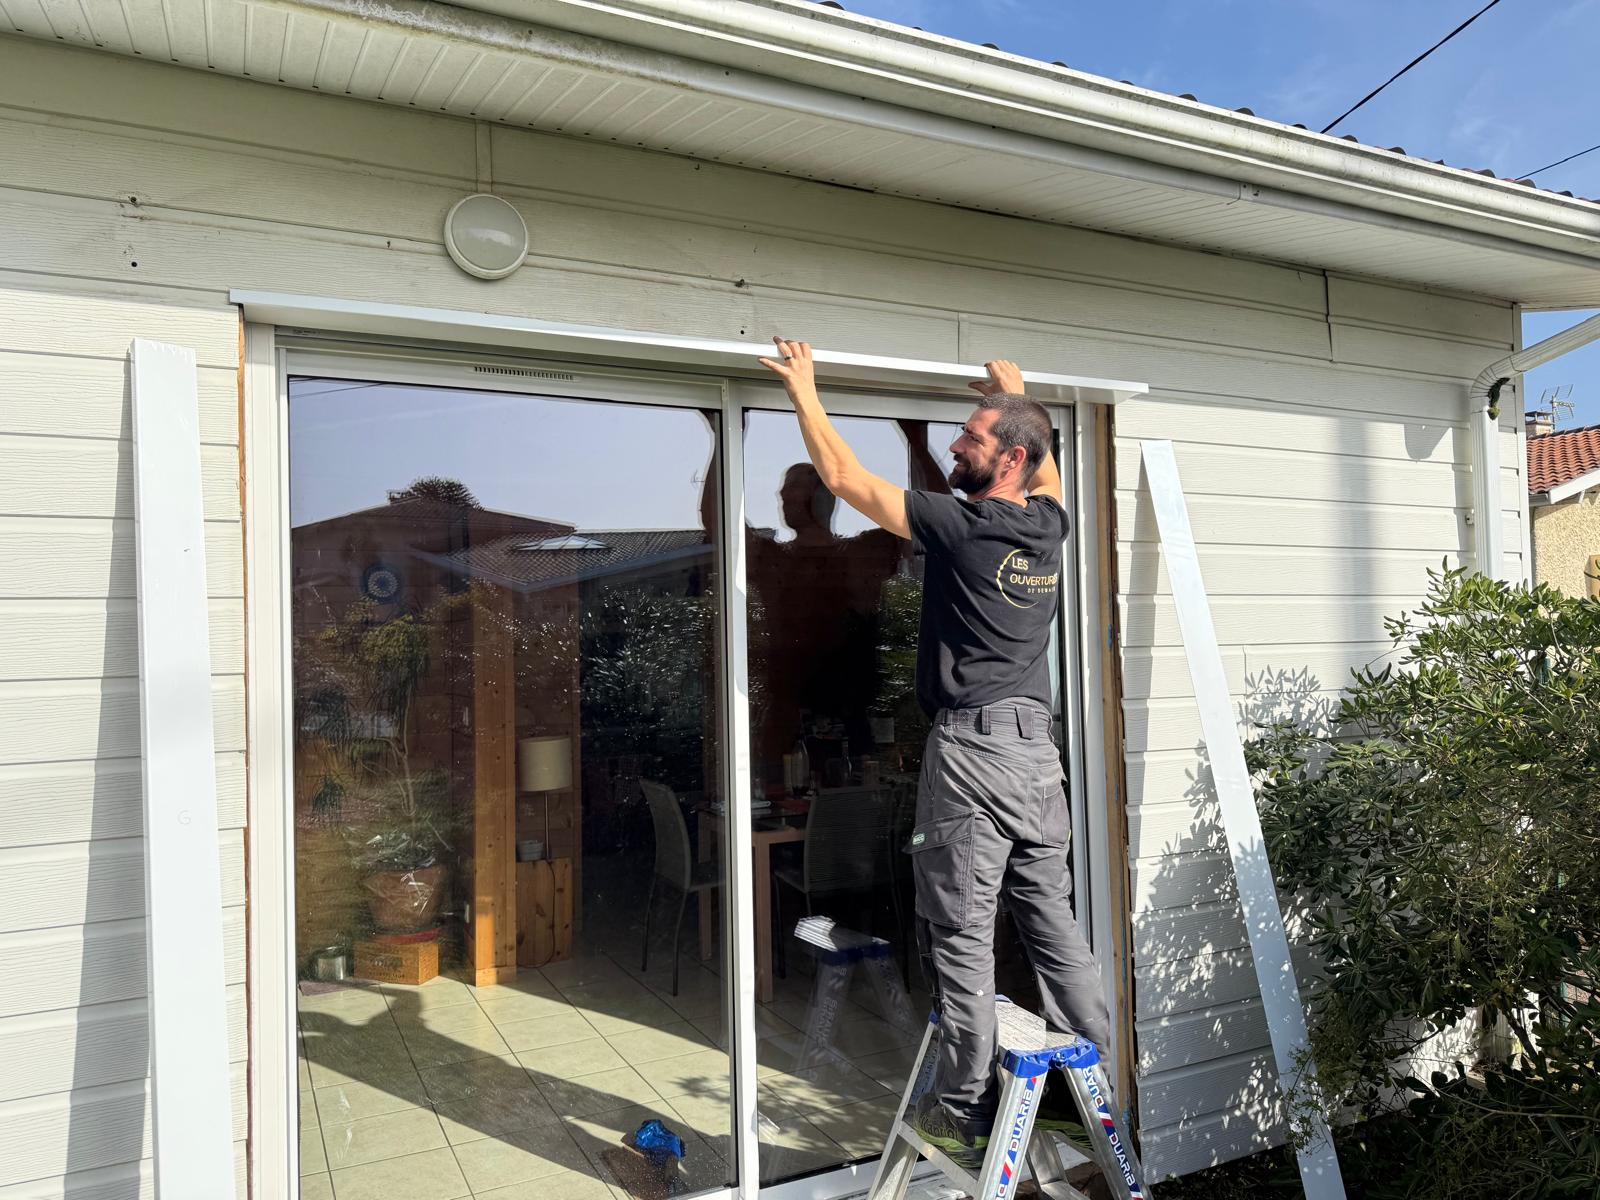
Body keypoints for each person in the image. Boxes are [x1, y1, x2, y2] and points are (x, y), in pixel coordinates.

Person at [758, 337, 1112, 1166]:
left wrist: (806, 390)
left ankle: (964, 1106)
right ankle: (1091, 1092)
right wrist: (1017, 392)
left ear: (1009, 458)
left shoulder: (969, 525)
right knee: (1053, 923)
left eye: (972, 437)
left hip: (977, 750)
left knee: (960, 930)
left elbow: (846, 481)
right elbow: (1051, 465)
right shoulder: (1048, 523)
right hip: (1038, 755)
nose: (956, 444)